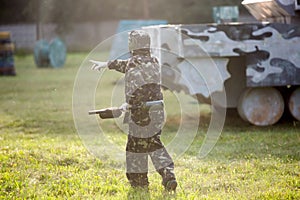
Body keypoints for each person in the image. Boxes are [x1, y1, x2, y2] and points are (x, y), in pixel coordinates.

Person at [92, 30, 177, 191]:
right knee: (154, 143)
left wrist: (127, 105)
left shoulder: (133, 63)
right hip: (158, 111)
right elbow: (125, 65)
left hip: (141, 112)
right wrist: (106, 64)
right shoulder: (154, 61)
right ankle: (168, 175)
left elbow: (135, 88)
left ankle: (139, 183)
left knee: (135, 147)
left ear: (133, 45)